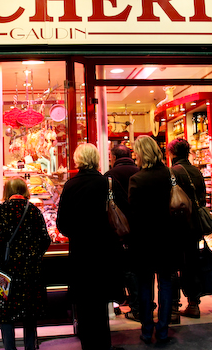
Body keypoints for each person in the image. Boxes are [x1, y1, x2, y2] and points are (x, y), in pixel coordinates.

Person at [57, 143, 124, 350]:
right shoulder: (108, 183)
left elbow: (62, 225)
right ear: (96, 159)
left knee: (85, 305)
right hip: (105, 252)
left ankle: (88, 345)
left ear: (78, 160)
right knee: (101, 304)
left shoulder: (70, 186)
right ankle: (104, 345)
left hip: (81, 253)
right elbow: (124, 214)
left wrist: (78, 233)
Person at [0, 178, 51, 350]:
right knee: (29, 313)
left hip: (7, 270)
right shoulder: (34, 210)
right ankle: (30, 347)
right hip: (30, 270)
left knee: (6, 314)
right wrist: (34, 255)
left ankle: (9, 347)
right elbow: (45, 239)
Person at [128, 135, 177, 344]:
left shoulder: (137, 179)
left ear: (141, 153)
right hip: (167, 238)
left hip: (144, 241)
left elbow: (133, 215)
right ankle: (163, 331)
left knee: (145, 286)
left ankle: (147, 330)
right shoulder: (169, 175)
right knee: (166, 284)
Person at [168, 137, 207, 319]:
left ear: (173, 153)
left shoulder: (173, 172)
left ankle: (174, 308)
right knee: (192, 264)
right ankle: (193, 304)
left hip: (177, 226)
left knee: (174, 265)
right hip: (195, 226)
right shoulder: (197, 172)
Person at [104, 144, 140, 321]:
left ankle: (135, 305)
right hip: (141, 226)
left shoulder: (109, 177)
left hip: (120, 229)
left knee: (127, 269)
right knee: (141, 267)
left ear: (113, 157)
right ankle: (144, 303)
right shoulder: (141, 171)